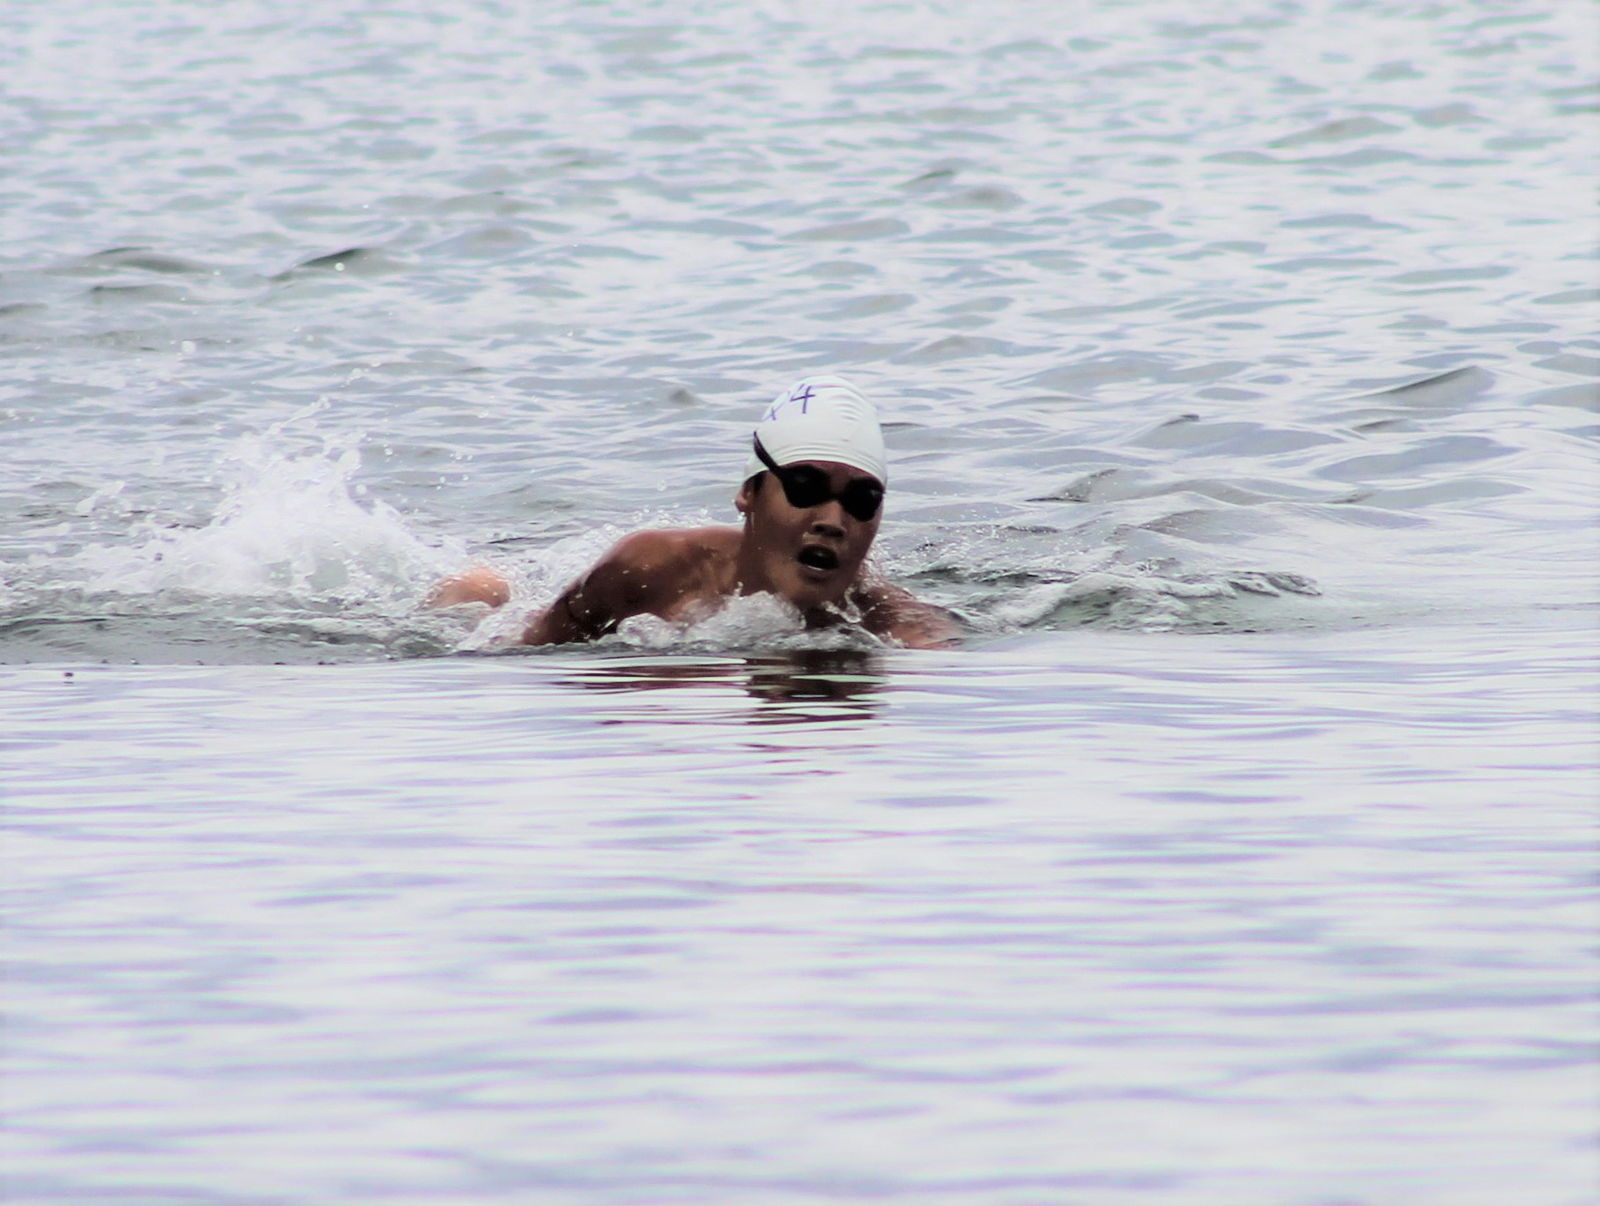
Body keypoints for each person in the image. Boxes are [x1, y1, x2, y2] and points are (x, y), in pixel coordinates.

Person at [428, 376, 959, 649]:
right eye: (805, 485)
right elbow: (527, 654)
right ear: (748, 494)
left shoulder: (891, 623)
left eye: (861, 499)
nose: (832, 518)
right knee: (478, 595)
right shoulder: (651, 568)